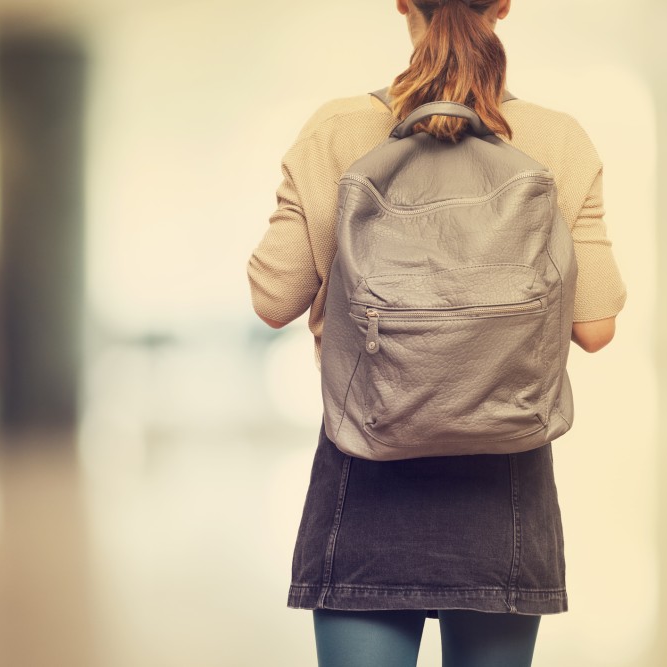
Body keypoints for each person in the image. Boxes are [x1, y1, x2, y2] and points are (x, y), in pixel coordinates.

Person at [247, 0, 627, 664]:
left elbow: (272, 297)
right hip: (505, 478)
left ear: (402, 2)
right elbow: (595, 326)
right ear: (503, 4)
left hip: (364, 463)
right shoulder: (556, 139)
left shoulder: (338, 131)